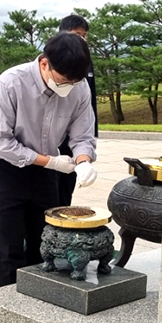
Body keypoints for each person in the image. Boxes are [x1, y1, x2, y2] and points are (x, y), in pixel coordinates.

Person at [0, 33, 98, 288]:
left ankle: (40, 302)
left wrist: (84, 160)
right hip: (5, 168)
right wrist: (51, 162)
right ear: (44, 64)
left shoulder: (79, 87)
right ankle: (8, 304)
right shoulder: (11, 83)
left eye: (74, 82)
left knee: (46, 241)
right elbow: (1, 141)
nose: (69, 87)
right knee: (8, 245)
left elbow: (82, 133)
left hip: (45, 169)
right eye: (64, 81)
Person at [56, 14, 98, 206]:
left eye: (84, 35)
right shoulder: (51, 62)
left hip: (75, 135)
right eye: (76, 34)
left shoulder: (85, 63)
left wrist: (88, 143)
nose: (81, 39)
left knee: (66, 190)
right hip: (49, 138)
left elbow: (88, 102)